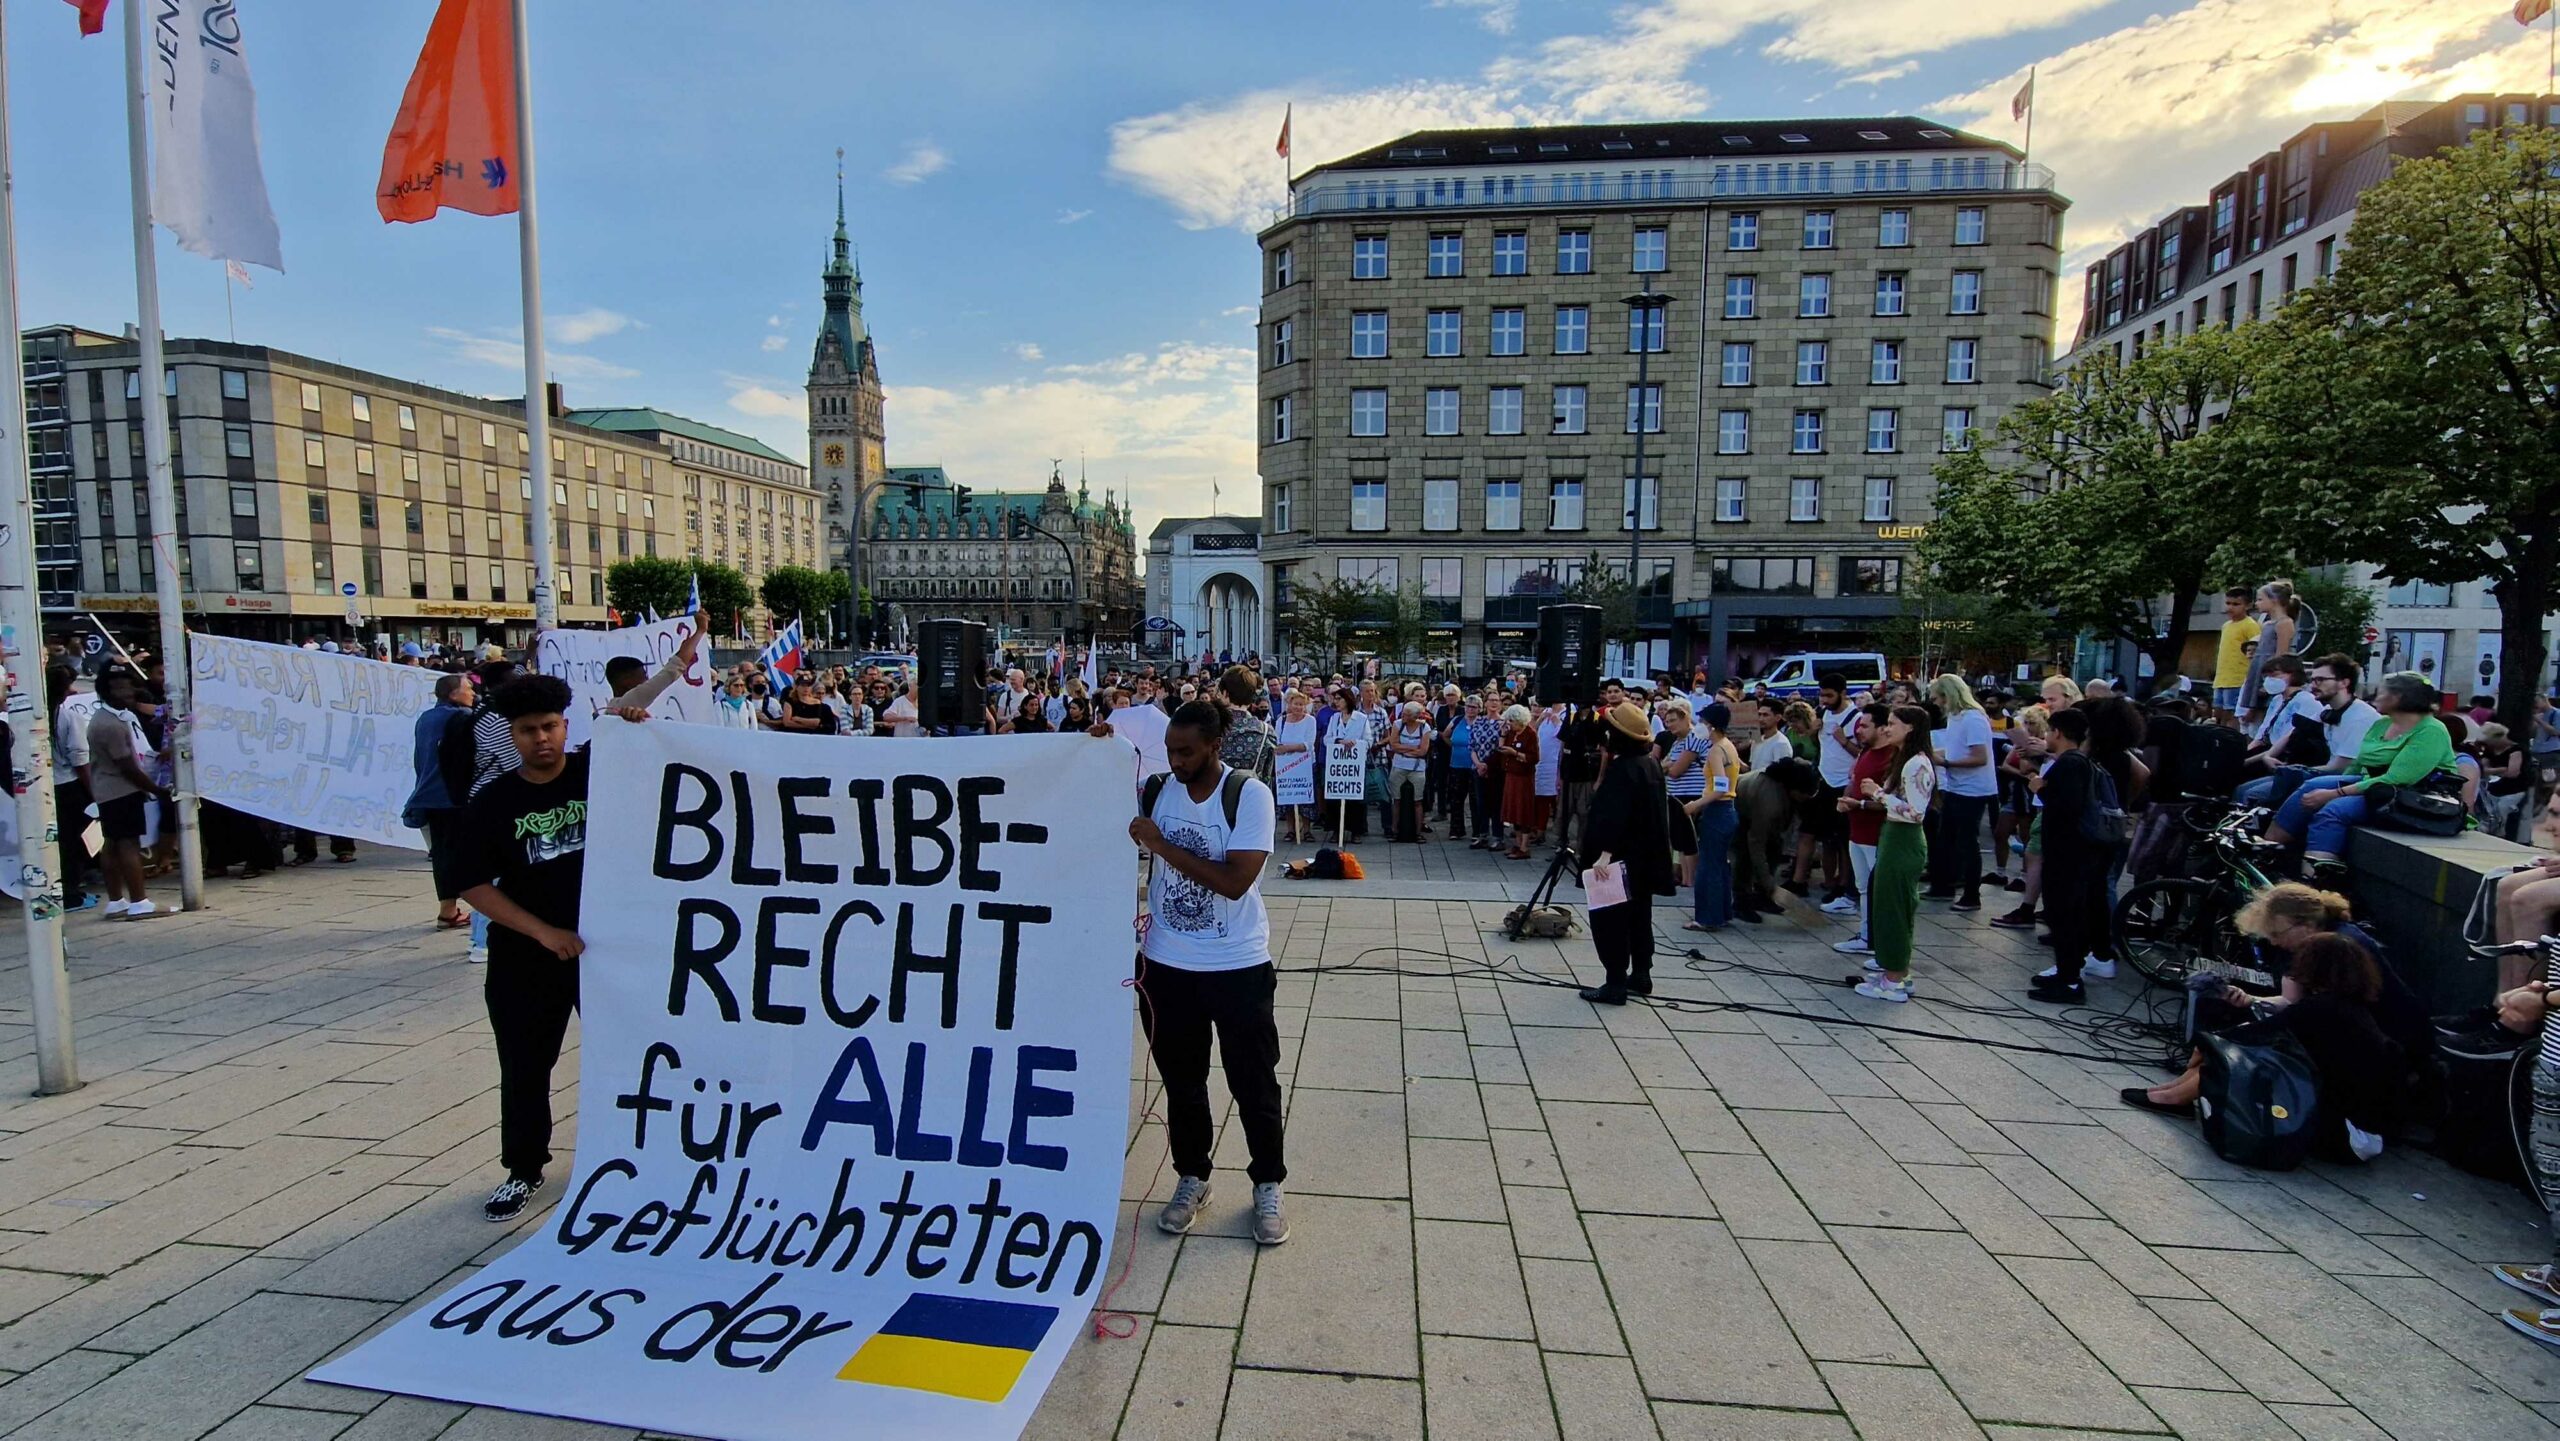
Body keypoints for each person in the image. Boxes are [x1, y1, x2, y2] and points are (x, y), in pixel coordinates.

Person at [1121, 700, 1289, 1246]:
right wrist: (1094, 743)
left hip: (1235, 963)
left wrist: (1160, 845)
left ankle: (1267, 1184)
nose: (1175, 761)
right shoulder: (1157, 789)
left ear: (1215, 746)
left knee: (1254, 1082)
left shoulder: (1248, 795)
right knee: (1182, 1082)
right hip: (1166, 964)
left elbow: (1236, 880)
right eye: (1169, 750)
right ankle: (1192, 1177)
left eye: (1186, 751)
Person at [453, 675, 594, 1224]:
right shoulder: (493, 801)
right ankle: (524, 1168)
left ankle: (628, 1156)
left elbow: (632, 718)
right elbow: (471, 883)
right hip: (527, 957)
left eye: (551, 727)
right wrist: (541, 931)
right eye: (529, 730)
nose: (542, 739)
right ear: (511, 735)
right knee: (526, 1065)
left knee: (629, 1058)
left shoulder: (594, 772)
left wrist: (673, 671)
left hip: (604, 949)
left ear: (565, 727)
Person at [2121, 934, 2401, 1162]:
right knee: (2229, 1044)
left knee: (2233, 1048)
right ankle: (2177, 1092)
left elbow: (2256, 1034)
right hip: (2359, 1127)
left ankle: (2175, 1096)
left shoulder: (2322, 1008)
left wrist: (2204, 1045)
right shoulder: (2346, 1007)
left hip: (2348, 1133)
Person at [2265, 671, 2460, 864]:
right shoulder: (2382, 724)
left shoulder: (2432, 730)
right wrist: (2333, 786)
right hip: (2375, 787)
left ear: (2398, 698)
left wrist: (2334, 793)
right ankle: (2266, 850)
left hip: (2412, 795)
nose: (2375, 697)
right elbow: (2359, 765)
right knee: (2311, 785)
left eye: (2381, 692)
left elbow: (2396, 780)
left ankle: (2315, 877)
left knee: (2334, 810)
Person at [1578, 701, 1676, 1006]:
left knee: (1611, 921)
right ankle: (1641, 974)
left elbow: (1615, 815)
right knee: (1639, 917)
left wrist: (1604, 855)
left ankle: (1615, 983)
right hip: (1643, 860)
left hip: (1618, 860)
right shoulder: (1649, 764)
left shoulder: (1623, 770)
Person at [2028, 708, 2110, 1004]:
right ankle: (2065, 972)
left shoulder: (2071, 764)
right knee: (2063, 915)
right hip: (2071, 853)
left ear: (2058, 733)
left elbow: (2068, 807)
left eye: (2049, 731)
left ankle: (2070, 979)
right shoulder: (2077, 763)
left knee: (2064, 915)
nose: (2046, 736)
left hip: (2069, 854)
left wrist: (2041, 789)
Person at [86, 664, 166, 921]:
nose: (126, 692)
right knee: (127, 844)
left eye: (128, 685)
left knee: (111, 844)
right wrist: (154, 789)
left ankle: (116, 901)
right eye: (118, 687)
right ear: (105, 691)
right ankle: (139, 901)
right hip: (121, 791)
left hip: (107, 790)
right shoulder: (110, 725)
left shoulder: (111, 718)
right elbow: (127, 766)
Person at [404, 672, 478, 932]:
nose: (473, 693)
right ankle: (454, 912)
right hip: (453, 796)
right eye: (468, 688)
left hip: (430, 796)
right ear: (453, 694)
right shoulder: (462, 718)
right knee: (462, 854)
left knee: (443, 854)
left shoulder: (426, 718)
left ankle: (449, 909)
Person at [1925, 674, 1998, 913]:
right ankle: (1943, 884)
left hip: (1973, 790)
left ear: (1948, 695)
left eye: (1938, 698)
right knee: (1945, 838)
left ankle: (1971, 894)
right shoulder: (1956, 718)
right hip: (1957, 786)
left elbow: (1979, 757)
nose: (1936, 703)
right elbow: (1958, 748)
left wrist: (1945, 762)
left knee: (1967, 841)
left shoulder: (1973, 718)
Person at [1680, 701, 1744, 933]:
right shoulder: (1728, 746)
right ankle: (1721, 912)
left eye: (1703, 722)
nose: (1699, 726)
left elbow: (1720, 787)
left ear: (1712, 726)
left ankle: (1707, 917)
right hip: (1727, 811)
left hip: (1718, 811)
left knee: (1708, 867)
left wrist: (1695, 805)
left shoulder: (1717, 750)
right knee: (1719, 865)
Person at [1833, 705, 1892, 956]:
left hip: (1876, 834)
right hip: (1856, 830)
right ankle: (1867, 935)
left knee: (1877, 889)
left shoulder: (1892, 757)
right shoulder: (1866, 753)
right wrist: (1846, 799)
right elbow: (1853, 781)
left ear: (1882, 728)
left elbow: (1892, 801)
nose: (1859, 730)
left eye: (1865, 725)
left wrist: (1862, 804)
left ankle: (1878, 940)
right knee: (1863, 887)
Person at [47, 664, 97, 912]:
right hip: (68, 787)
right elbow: (80, 761)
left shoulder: (35, 716)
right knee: (74, 842)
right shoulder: (69, 717)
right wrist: (92, 792)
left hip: (46, 787)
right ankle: (71, 893)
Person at [1495, 704, 1544, 859]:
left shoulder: (1530, 734)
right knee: (1513, 811)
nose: (1510, 724)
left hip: (1524, 778)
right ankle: (1517, 844)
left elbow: (1533, 758)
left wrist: (1515, 753)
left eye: (1512, 721)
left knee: (1523, 811)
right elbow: (1500, 748)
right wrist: (1503, 735)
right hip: (1511, 775)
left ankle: (1524, 847)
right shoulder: (1510, 733)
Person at [1272, 689, 1318, 843]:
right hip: (1285, 766)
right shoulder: (1281, 721)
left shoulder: (1310, 720)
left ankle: (1307, 830)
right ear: (1289, 704)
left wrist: (1289, 748)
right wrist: (1284, 749)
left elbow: (1309, 744)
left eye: (1302, 705)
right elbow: (1278, 743)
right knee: (1288, 797)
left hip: (1305, 765)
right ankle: (1290, 830)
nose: (1299, 707)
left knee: (1306, 798)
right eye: (1296, 704)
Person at [2212, 587, 2262, 722]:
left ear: (2248, 605)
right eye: (2228, 603)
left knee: (2232, 715)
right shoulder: (2226, 625)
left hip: (2238, 678)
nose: (2230, 607)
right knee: (2218, 713)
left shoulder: (2250, 625)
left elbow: (2256, 651)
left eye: (2236, 604)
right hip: (2221, 678)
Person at [1385, 701, 1432, 842]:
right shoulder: (1398, 725)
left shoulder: (1424, 727)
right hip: (1399, 766)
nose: (1403, 716)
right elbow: (1393, 745)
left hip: (1417, 769)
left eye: (1406, 714)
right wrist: (1413, 749)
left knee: (1418, 801)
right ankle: (1394, 830)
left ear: (1415, 716)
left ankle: (1418, 832)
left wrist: (1403, 749)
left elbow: (1423, 750)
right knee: (1396, 800)